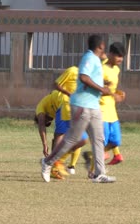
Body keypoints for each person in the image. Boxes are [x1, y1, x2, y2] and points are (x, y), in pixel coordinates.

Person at [40, 34, 116, 183]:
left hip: (93, 105)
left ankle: (99, 174)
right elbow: (83, 77)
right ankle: (47, 162)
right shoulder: (89, 58)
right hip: (82, 105)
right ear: (100, 46)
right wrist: (102, 88)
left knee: (98, 139)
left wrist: (103, 84)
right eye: (103, 46)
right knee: (71, 139)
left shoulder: (96, 60)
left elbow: (90, 79)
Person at [84, 42, 127, 174]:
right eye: (118, 56)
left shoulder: (116, 69)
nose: (121, 59)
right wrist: (111, 93)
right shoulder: (101, 69)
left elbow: (111, 88)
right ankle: (94, 172)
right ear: (111, 54)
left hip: (112, 111)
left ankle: (91, 156)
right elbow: (93, 88)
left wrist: (118, 93)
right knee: (102, 142)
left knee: (115, 141)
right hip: (101, 109)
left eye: (122, 57)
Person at [53, 66, 87, 175]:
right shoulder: (72, 71)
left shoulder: (91, 75)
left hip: (82, 110)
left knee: (81, 139)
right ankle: (55, 164)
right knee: (63, 135)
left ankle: (57, 162)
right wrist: (68, 94)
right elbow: (56, 84)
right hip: (68, 109)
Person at [34, 90, 69, 179]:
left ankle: (53, 162)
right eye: (48, 121)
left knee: (70, 137)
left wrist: (45, 145)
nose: (49, 120)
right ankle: (54, 164)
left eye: (48, 121)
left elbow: (41, 125)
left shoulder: (40, 109)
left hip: (64, 101)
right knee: (61, 136)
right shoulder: (47, 110)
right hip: (64, 103)